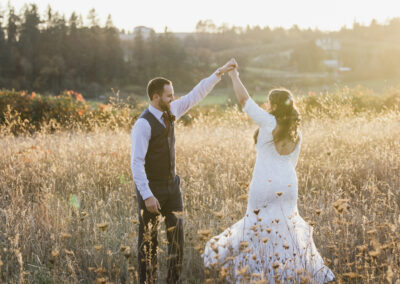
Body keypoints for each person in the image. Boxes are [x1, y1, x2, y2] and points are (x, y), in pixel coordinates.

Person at [203, 59, 335, 283]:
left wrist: (235, 77)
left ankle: (259, 275)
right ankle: (289, 274)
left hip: (265, 182)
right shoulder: (297, 132)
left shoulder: (268, 122)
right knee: (287, 230)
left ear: (273, 105)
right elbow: (292, 162)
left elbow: (245, 101)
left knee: (256, 227)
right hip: (288, 184)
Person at [131, 59, 237, 283]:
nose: (173, 98)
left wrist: (218, 73)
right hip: (152, 189)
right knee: (149, 244)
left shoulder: (172, 110)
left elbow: (195, 95)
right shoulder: (143, 124)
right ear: (155, 97)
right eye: (168, 95)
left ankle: (173, 281)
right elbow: (136, 163)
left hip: (172, 187)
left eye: (172, 94)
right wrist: (147, 195)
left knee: (176, 241)